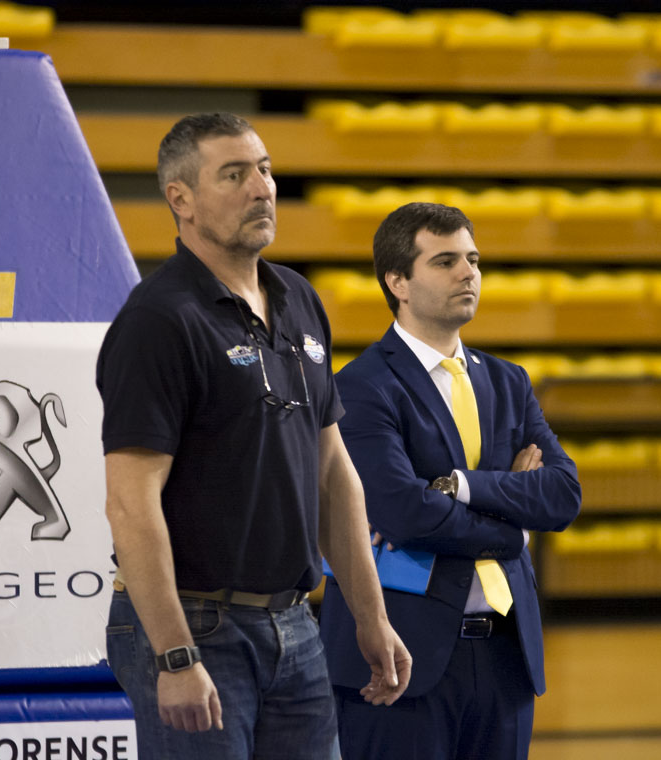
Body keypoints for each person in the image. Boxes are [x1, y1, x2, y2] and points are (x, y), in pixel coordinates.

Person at [96, 112, 411, 760]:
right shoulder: (158, 320)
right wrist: (175, 654)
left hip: (294, 623)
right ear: (181, 199)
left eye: (264, 170)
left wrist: (371, 616)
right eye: (234, 175)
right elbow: (130, 503)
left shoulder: (300, 298)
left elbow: (333, 474)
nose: (261, 188)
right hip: (194, 627)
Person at [319, 202, 582, 759]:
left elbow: (562, 495)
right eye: (445, 262)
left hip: (507, 658)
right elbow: (405, 513)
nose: (468, 273)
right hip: (399, 659)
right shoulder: (361, 385)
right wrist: (514, 527)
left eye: (473, 259)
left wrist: (461, 487)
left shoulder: (510, 381)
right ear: (398, 282)